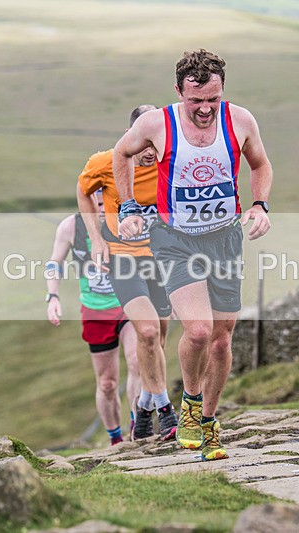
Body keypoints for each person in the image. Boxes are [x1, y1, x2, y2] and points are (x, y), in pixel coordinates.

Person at [113, 49, 273, 461]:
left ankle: (208, 421)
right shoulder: (156, 123)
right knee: (198, 331)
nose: (204, 110)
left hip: (224, 238)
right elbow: (121, 153)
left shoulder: (240, 120)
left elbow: (260, 165)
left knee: (221, 341)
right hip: (176, 239)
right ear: (179, 92)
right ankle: (189, 402)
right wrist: (129, 206)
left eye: (212, 100)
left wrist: (259, 204)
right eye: (195, 101)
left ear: (223, 91)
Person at [77, 105, 178, 442]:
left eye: (156, 145)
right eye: (144, 145)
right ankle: (165, 410)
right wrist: (96, 238)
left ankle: (145, 404)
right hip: (124, 260)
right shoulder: (105, 162)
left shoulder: (170, 159)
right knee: (146, 333)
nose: (150, 153)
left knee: (159, 340)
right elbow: (83, 191)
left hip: (162, 261)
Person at [46, 194, 140, 446]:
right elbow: (55, 263)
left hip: (128, 303)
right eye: (94, 204)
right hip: (95, 310)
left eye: (104, 203)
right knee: (107, 383)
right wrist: (52, 296)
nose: (100, 210)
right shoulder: (71, 227)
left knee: (137, 362)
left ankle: (137, 428)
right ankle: (115, 440)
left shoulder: (123, 222)